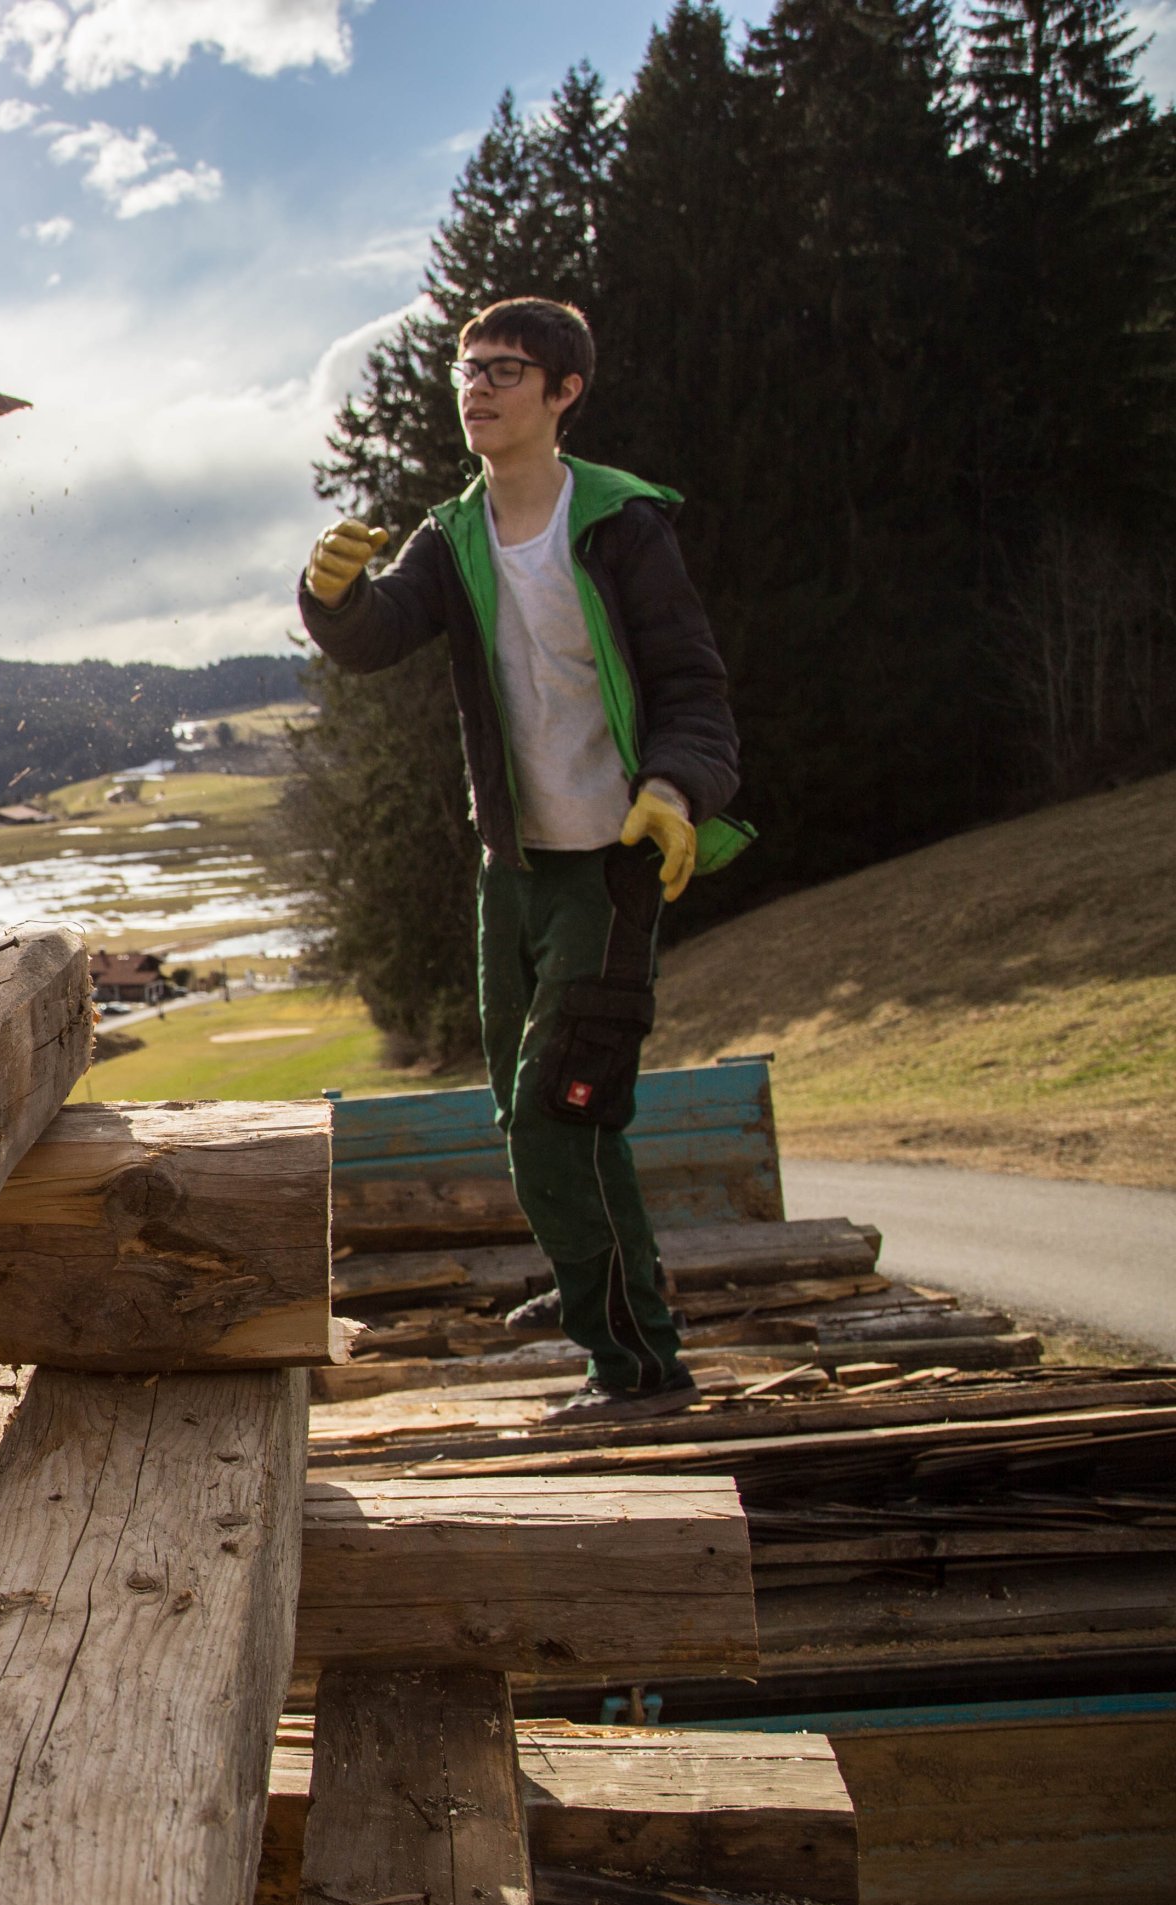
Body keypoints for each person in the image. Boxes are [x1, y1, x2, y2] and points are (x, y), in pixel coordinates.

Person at [296, 296, 750, 1423]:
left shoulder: (622, 524)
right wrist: (329, 597)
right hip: (514, 871)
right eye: (469, 369)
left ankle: (636, 1367)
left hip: (611, 865)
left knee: (562, 1113)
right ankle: (594, 1280)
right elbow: (379, 635)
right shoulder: (453, 535)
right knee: (525, 1112)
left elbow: (695, 691)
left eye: (506, 370)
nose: (479, 388)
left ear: (564, 392)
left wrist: (674, 789)